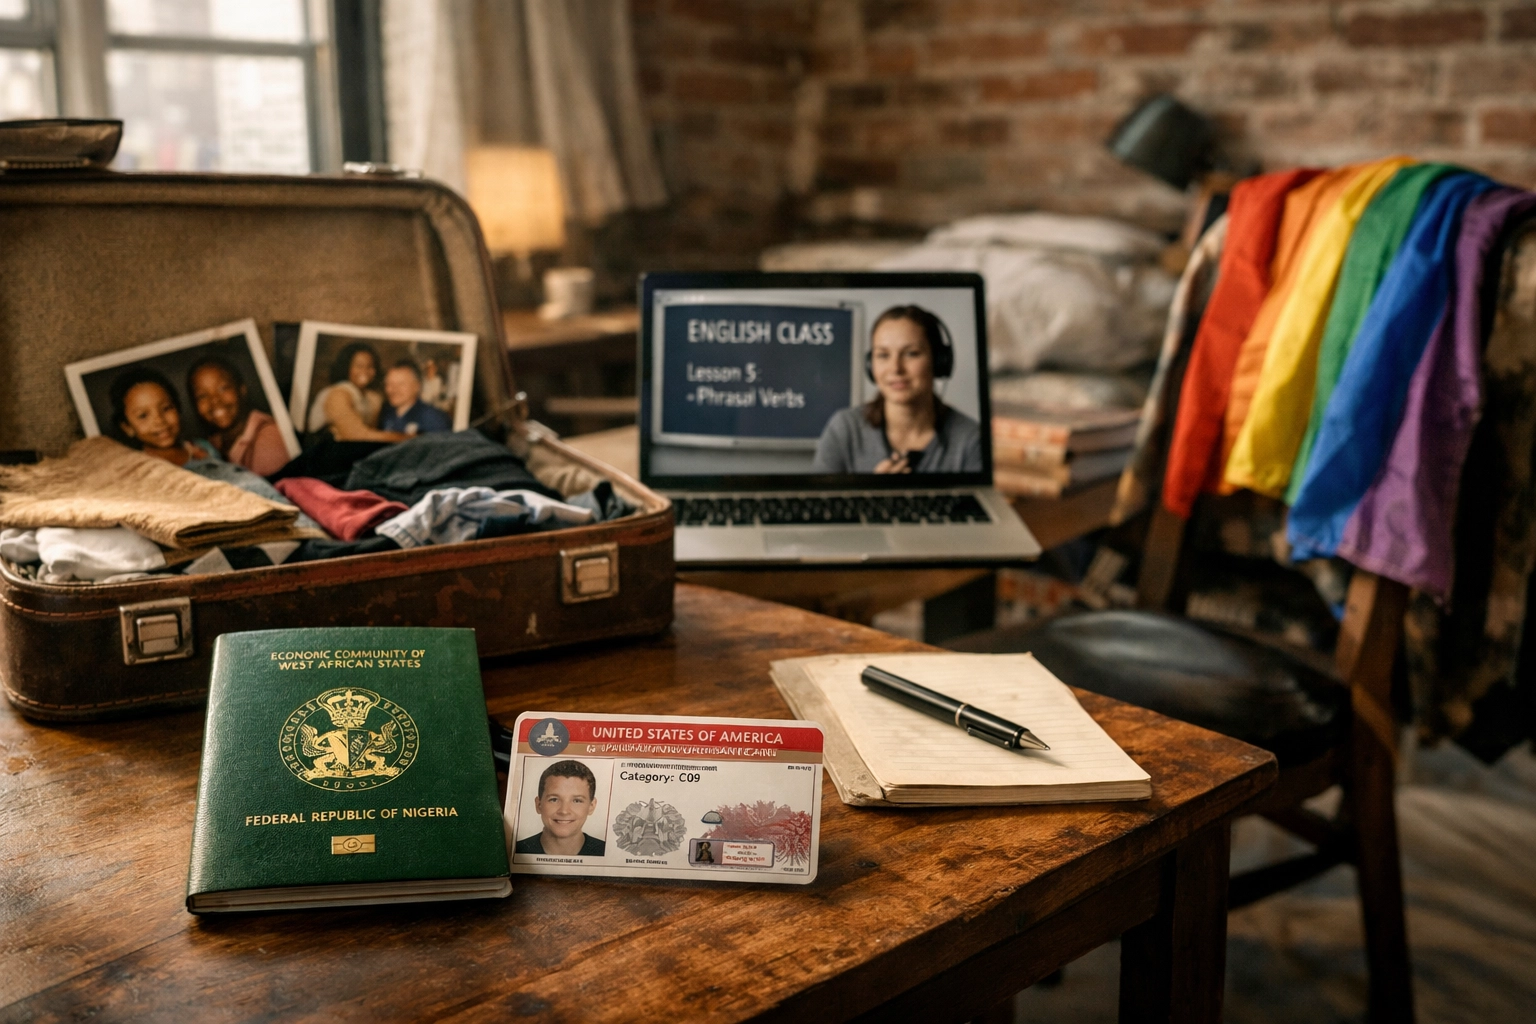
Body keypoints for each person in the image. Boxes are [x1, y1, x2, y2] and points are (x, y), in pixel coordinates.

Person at [811, 305, 983, 474]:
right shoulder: (844, 430)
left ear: (938, 362)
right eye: (883, 355)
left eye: (911, 353)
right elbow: (818, 501)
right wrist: (872, 496)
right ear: (871, 366)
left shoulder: (970, 439)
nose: (895, 368)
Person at [186, 355, 289, 475]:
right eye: (202, 396)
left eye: (222, 388)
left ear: (242, 389)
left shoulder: (269, 435)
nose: (214, 400)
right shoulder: (212, 443)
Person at [108, 366, 219, 467]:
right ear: (127, 427)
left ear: (177, 407)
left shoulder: (203, 447)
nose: (159, 420)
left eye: (166, 408)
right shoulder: (138, 469)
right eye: (143, 416)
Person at [306, 342, 407, 443]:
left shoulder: (373, 398)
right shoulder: (337, 394)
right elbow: (356, 436)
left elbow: (373, 433)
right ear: (346, 367)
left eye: (370, 366)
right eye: (359, 366)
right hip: (323, 450)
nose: (365, 371)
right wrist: (407, 438)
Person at [514, 759, 607, 856]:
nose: (564, 811)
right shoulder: (515, 850)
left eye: (577, 801)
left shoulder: (607, 852)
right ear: (539, 805)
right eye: (554, 799)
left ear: (591, 806)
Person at [379, 360, 453, 436]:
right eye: (389, 384)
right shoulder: (386, 414)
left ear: (417, 386)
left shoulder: (434, 418)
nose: (393, 390)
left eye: (401, 384)